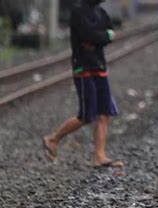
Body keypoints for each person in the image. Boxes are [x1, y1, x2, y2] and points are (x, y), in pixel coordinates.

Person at [43, 0, 123, 168]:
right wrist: (102, 36)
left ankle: (99, 156)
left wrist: (101, 37)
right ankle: (53, 138)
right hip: (83, 68)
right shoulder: (78, 13)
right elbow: (90, 36)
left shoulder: (101, 12)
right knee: (87, 116)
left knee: (103, 114)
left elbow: (110, 33)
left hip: (99, 67)